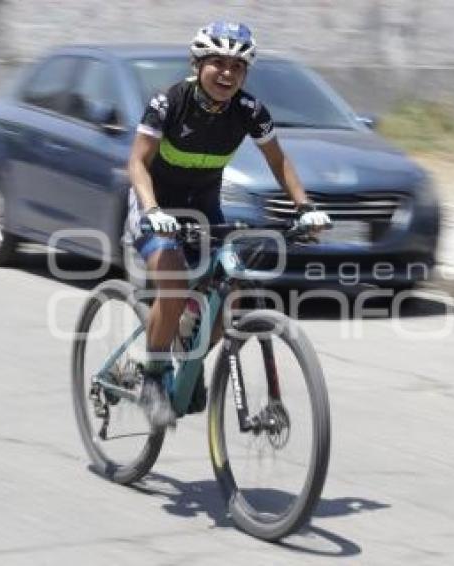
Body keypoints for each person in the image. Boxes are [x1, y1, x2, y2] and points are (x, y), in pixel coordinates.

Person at [126, 21, 331, 426]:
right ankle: (151, 377)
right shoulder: (169, 102)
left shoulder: (249, 110)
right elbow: (136, 162)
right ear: (199, 64)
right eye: (218, 63)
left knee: (228, 298)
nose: (227, 73)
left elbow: (278, 161)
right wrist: (152, 211)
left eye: (237, 67)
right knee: (173, 285)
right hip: (155, 206)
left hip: (203, 210)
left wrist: (304, 206)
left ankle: (188, 356)